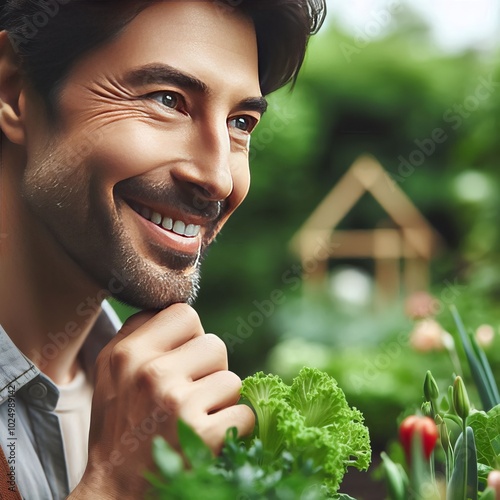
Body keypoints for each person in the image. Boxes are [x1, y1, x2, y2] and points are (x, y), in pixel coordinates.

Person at [0, 0, 325, 498]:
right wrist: (113, 486)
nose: (218, 178)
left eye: (241, 123)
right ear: (14, 89)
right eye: (168, 100)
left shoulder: (160, 410)